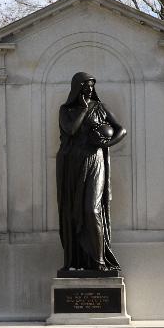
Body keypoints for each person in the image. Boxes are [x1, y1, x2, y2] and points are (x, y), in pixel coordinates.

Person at [56, 71, 126, 274]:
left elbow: (121, 130)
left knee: (92, 209)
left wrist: (106, 143)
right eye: (86, 86)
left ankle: (99, 260)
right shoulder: (66, 110)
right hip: (72, 165)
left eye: (92, 86)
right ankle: (78, 260)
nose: (90, 89)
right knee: (72, 212)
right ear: (77, 88)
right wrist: (83, 110)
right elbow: (70, 130)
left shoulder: (101, 108)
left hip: (95, 161)